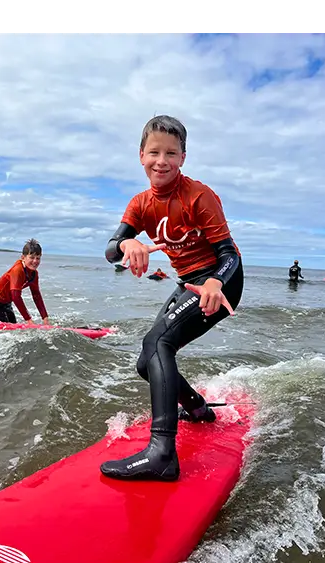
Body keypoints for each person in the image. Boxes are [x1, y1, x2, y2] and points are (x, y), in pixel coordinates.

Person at [99, 115, 244, 482]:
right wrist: (127, 242)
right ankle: (197, 409)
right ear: (141, 155)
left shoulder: (199, 195)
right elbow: (110, 251)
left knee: (158, 342)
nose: (161, 160)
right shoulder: (140, 203)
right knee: (147, 364)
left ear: (182, 158)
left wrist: (215, 283)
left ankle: (162, 452)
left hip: (219, 281)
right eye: (154, 152)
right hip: (188, 282)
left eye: (171, 153)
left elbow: (230, 254)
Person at [0, 239, 50, 325]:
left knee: (13, 326)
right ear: (23, 257)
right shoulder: (18, 270)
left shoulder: (34, 274)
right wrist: (29, 320)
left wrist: (45, 318)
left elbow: (36, 295)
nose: (35, 261)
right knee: (7, 331)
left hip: (7, 304)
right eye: (31, 257)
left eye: (38, 258)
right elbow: (16, 296)